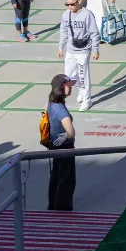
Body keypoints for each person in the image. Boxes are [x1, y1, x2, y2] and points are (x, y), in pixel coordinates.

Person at [57, 0, 100, 111]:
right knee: (69, 76)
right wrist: (61, 47)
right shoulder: (66, 15)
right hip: (71, 49)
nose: (70, 7)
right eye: (67, 4)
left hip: (84, 49)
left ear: (79, 2)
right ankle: (81, 88)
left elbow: (94, 33)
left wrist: (95, 49)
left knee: (83, 75)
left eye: (72, 4)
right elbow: (63, 32)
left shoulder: (87, 15)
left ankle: (87, 100)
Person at [46, 75, 78, 211]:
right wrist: (66, 135)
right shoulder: (62, 111)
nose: (71, 88)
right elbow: (71, 132)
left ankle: (53, 204)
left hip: (54, 144)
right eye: (69, 86)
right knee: (67, 179)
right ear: (61, 88)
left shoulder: (51, 102)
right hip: (65, 147)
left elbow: (44, 112)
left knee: (56, 175)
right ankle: (62, 209)